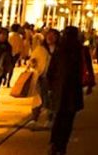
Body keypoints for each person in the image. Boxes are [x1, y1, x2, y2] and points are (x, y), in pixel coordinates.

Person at [47, 26, 85, 155]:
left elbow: (51, 71)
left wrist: (51, 87)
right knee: (68, 120)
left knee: (58, 117)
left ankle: (53, 143)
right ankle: (62, 146)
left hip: (60, 90)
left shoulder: (59, 50)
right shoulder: (79, 50)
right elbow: (82, 71)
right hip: (73, 91)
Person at [27, 33, 50, 121]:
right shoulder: (41, 49)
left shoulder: (41, 49)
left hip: (46, 76)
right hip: (40, 76)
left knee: (43, 97)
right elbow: (33, 60)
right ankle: (36, 118)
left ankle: (44, 118)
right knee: (40, 97)